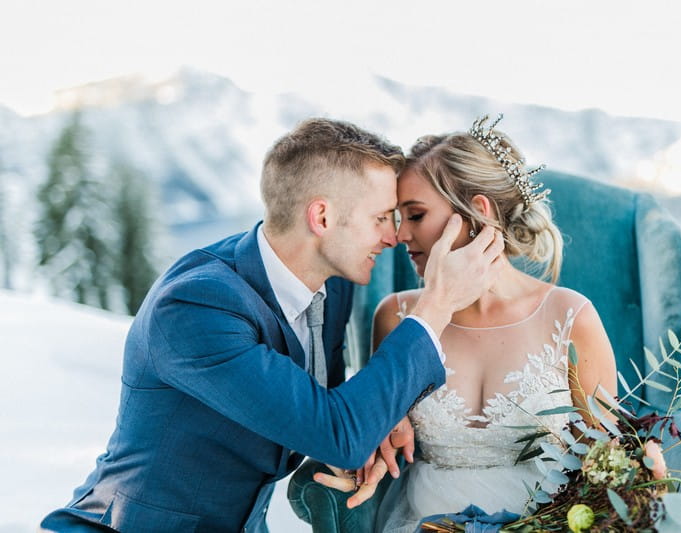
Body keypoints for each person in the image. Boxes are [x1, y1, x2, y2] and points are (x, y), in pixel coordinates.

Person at [39, 118, 505, 533]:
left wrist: (385, 416)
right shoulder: (196, 307)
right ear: (321, 217)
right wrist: (437, 305)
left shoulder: (333, 282)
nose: (393, 236)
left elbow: (320, 402)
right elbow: (338, 436)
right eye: (382, 218)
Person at [334, 116, 617, 532]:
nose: (400, 236)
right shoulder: (395, 318)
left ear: (476, 213)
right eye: (396, 218)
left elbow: (607, 466)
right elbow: (369, 426)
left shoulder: (570, 317)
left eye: (415, 215)